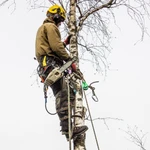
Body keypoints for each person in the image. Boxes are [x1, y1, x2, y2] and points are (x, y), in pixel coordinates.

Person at [35, 4, 88, 140]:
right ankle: (68, 128)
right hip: (51, 64)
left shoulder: (44, 28)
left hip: (48, 65)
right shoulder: (50, 27)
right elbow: (56, 47)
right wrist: (71, 61)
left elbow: (53, 46)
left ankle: (68, 127)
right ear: (56, 16)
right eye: (60, 20)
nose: (60, 23)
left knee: (67, 94)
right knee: (63, 95)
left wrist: (64, 42)